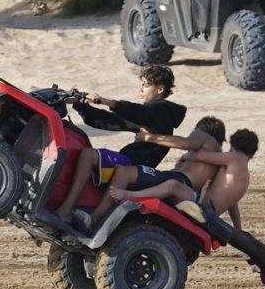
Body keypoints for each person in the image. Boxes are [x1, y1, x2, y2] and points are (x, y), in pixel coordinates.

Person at [54, 65, 186, 224]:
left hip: (135, 167)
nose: (141, 89)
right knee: (83, 151)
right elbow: (109, 121)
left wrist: (104, 101)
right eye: (141, 84)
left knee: (88, 155)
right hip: (129, 161)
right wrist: (80, 104)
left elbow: (136, 111)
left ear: (159, 89)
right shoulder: (146, 116)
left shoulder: (162, 110)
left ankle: (67, 211)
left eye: (146, 85)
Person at [85, 116, 226, 229]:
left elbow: (185, 143)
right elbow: (230, 199)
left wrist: (148, 137)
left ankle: (95, 218)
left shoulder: (206, 136)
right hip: (181, 186)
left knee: (124, 172)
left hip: (178, 179)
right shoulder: (219, 160)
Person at [109, 128, 258, 230]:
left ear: (233, 145)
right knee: (174, 186)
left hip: (205, 207)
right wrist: (238, 227)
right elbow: (233, 204)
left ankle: (130, 195)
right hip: (209, 209)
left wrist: (187, 156)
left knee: (173, 185)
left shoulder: (235, 157)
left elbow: (199, 156)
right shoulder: (243, 175)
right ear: (252, 153)